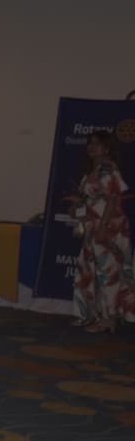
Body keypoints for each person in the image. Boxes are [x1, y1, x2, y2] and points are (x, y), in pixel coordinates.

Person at [70, 130, 134, 332]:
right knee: (88, 270)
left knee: (108, 273)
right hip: (92, 227)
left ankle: (109, 319)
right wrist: (77, 209)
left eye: (97, 143)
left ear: (106, 147)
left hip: (108, 229)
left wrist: (104, 227)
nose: (92, 147)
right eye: (89, 143)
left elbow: (114, 199)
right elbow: (92, 199)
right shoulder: (93, 169)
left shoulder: (108, 168)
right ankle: (90, 314)